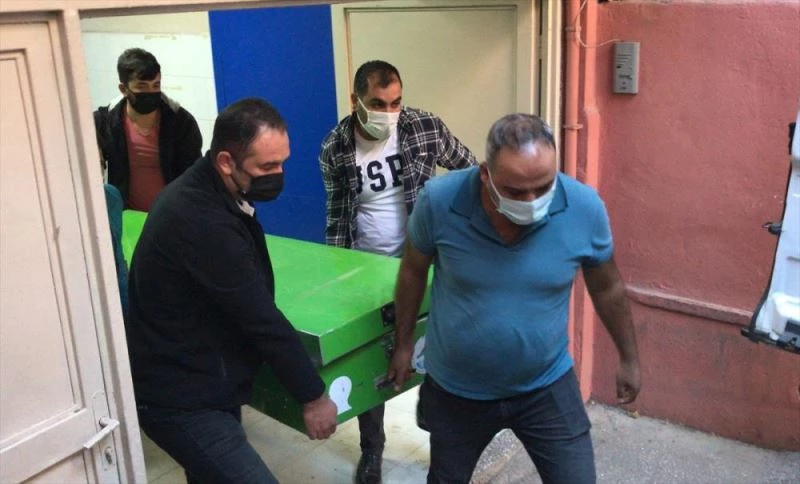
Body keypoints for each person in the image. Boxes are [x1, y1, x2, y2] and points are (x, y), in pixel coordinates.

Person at [387, 114, 641, 484]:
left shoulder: (583, 208)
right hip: (457, 389)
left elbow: (608, 287)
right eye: (516, 191)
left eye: (543, 186)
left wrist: (629, 358)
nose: (532, 201)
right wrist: (403, 344)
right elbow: (412, 270)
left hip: (545, 385)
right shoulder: (440, 201)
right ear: (485, 174)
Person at [127, 98, 338, 483]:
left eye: (283, 163)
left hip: (204, 376)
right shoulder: (199, 218)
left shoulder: (210, 189)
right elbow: (260, 318)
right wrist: (313, 396)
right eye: (267, 167)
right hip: (180, 398)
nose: (278, 175)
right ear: (226, 161)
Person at [318, 60, 477, 483]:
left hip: (423, 262)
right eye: (377, 103)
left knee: (437, 346)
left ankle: (434, 414)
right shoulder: (335, 147)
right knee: (370, 360)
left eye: (396, 102)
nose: (389, 112)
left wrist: (454, 226)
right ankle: (372, 450)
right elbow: (337, 217)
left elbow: (471, 172)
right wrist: (337, 277)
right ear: (355, 101)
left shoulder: (425, 127)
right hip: (365, 267)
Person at [94, 47, 202, 211]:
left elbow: (193, 176)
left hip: (172, 214)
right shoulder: (104, 122)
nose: (150, 92)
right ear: (123, 89)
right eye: (142, 86)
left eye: (156, 85)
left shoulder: (181, 122)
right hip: (127, 216)